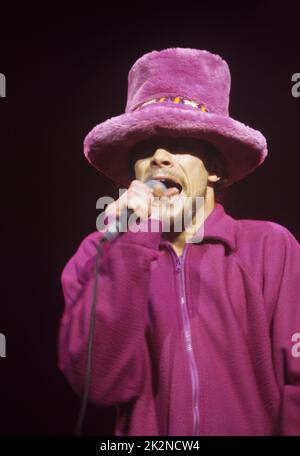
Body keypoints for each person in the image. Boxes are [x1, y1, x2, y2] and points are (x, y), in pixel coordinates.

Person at [58, 48, 300, 436]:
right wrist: (130, 241)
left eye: (180, 142)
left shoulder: (270, 246)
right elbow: (101, 383)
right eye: (144, 148)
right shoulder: (97, 252)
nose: (159, 157)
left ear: (215, 169)